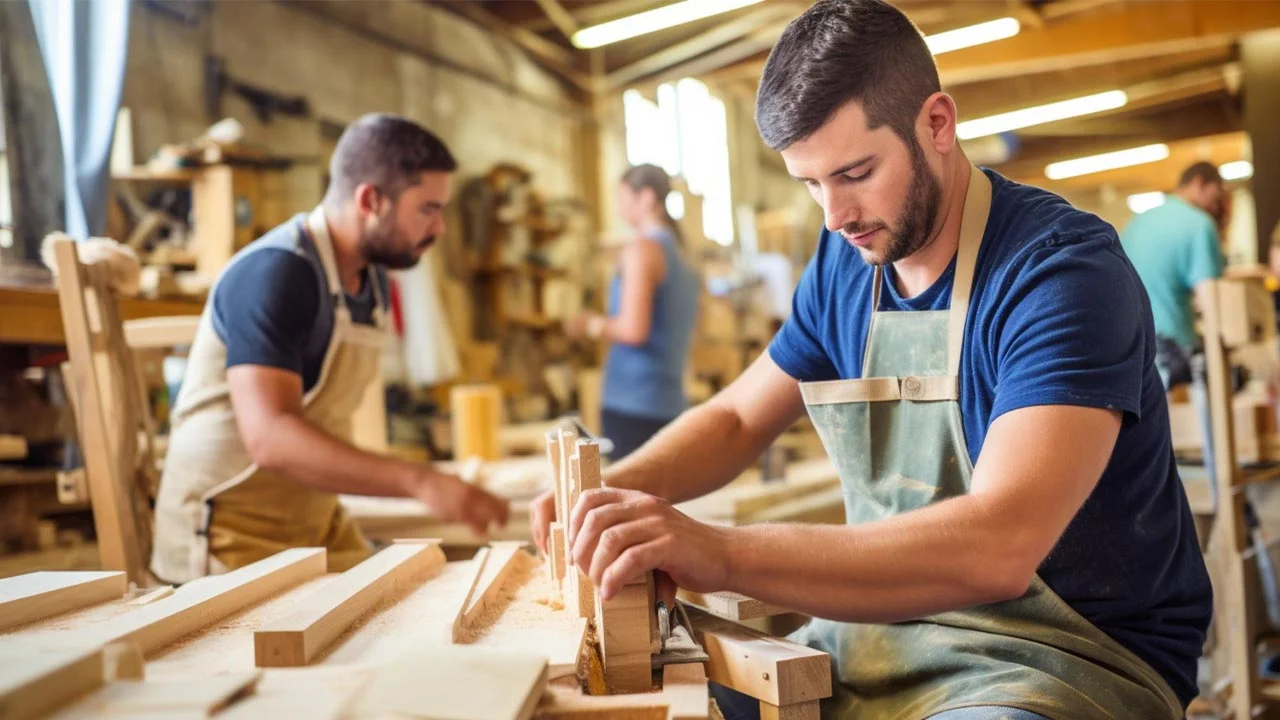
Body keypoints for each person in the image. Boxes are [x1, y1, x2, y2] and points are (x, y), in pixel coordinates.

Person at [532, 1, 1210, 718]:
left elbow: (999, 544)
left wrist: (720, 552)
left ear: (937, 124)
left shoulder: (1061, 273)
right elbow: (735, 418)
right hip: (875, 638)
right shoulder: (846, 262)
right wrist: (610, 501)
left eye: (856, 171)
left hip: (1058, 660)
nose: (835, 215)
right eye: (810, 183)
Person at [152, 114, 509, 584]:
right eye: (428, 209)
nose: (440, 228)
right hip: (228, 532)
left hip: (313, 520)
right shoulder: (277, 274)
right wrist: (420, 481)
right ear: (370, 200)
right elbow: (270, 437)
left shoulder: (372, 278)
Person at [565, 165, 699, 460]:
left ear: (647, 198)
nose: (618, 207)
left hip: (634, 405)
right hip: (671, 403)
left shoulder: (643, 250)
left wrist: (590, 324)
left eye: (622, 197)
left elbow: (633, 329)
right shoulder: (683, 255)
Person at [1121, 162, 1226, 388]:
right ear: (1199, 183)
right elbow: (1210, 299)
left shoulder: (1138, 221)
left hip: (1133, 343)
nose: (1214, 206)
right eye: (1214, 196)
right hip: (1175, 347)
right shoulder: (1199, 223)